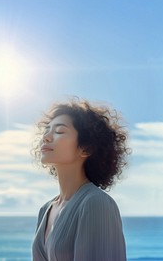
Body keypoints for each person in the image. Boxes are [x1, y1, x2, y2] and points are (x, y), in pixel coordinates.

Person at [31, 98, 130, 261]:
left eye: (59, 131)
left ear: (86, 148)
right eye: (46, 130)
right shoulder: (45, 210)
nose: (46, 137)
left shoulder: (96, 203)